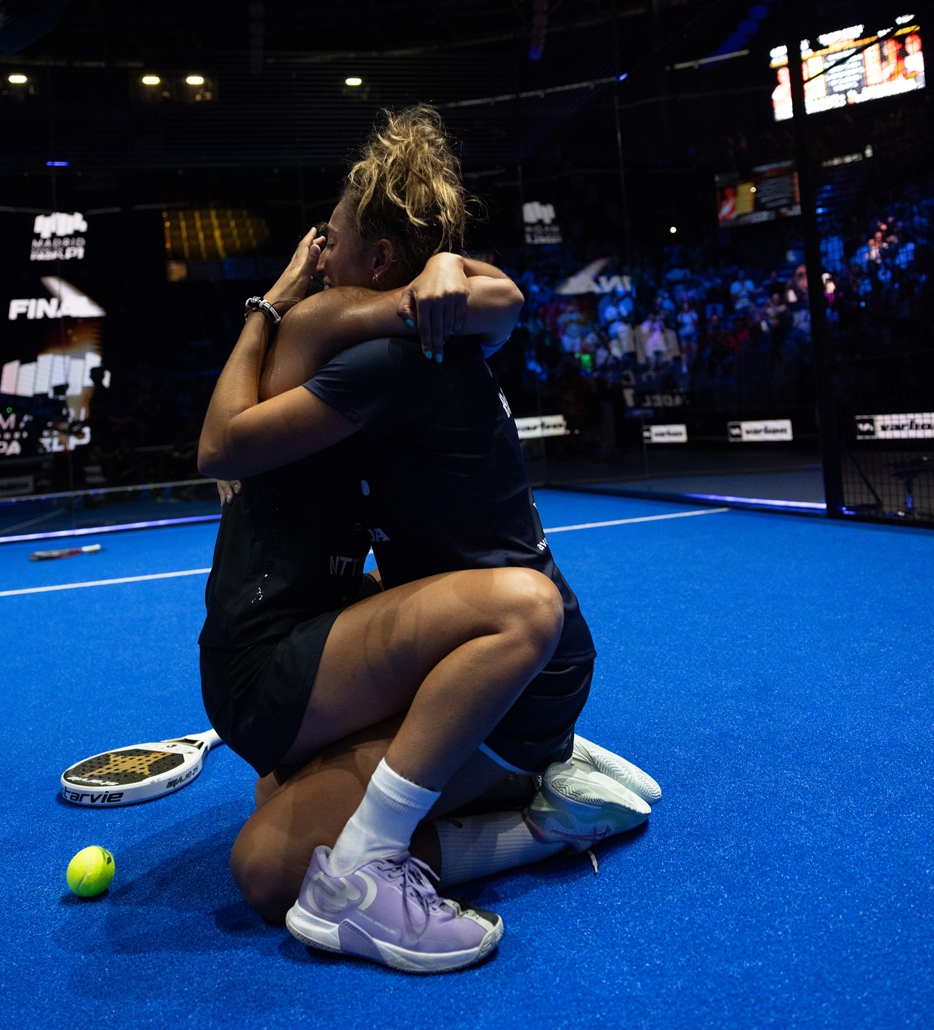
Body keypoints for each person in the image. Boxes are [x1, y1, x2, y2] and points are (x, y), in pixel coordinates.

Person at [198, 105, 660, 973]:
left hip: (520, 656)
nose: (317, 253)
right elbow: (500, 299)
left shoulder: (383, 357)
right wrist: (446, 271)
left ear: (377, 260)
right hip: (474, 650)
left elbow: (222, 445)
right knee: (270, 831)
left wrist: (274, 302)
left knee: (274, 871)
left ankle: (409, 850)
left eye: (329, 238)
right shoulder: (413, 331)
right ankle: (546, 797)